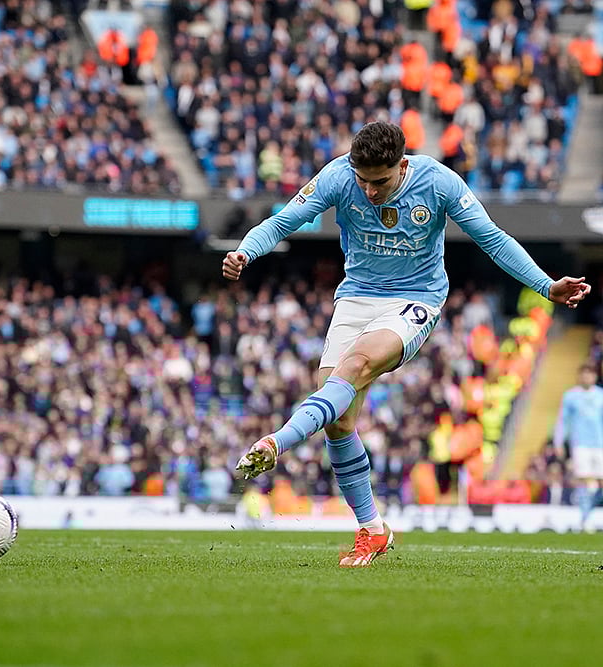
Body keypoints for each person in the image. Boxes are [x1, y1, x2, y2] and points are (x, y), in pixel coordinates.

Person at [222, 121, 591, 567]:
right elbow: (284, 220)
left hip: (415, 299)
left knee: (355, 366)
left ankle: (276, 442)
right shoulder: (338, 175)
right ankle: (373, 529)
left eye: (379, 182)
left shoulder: (438, 182)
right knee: (338, 420)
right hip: (355, 297)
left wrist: (545, 285)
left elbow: (492, 239)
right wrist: (246, 250)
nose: (370, 192)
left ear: (402, 165)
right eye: (363, 181)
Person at [553, 364, 603, 532]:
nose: (587, 377)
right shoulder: (571, 396)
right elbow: (562, 420)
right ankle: (585, 519)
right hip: (580, 444)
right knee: (583, 479)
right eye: (584, 374)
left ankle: (588, 514)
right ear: (579, 376)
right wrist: (558, 442)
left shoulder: (601, 396)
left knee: (597, 483)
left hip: (600, 444)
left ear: (595, 377)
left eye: (590, 374)